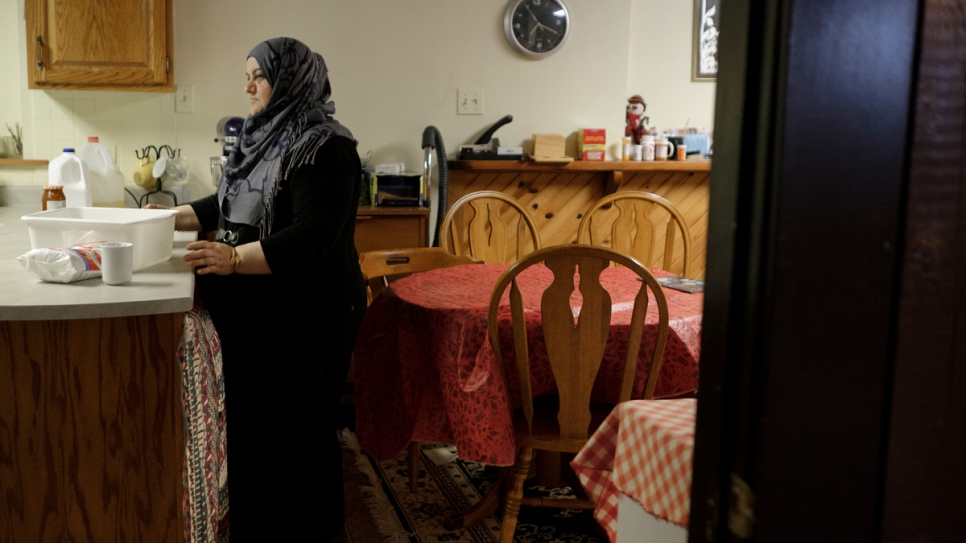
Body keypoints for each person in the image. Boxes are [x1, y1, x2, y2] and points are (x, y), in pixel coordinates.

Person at [151, 37, 365, 541]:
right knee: (258, 433)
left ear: (290, 81)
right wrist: (170, 216)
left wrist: (230, 257)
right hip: (262, 311)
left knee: (300, 436)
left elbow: (313, 235)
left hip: (309, 315)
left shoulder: (325, 145)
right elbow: (229, 201)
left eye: (260, 76)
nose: (248, 86)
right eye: (246, 74)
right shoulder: (261, 135)